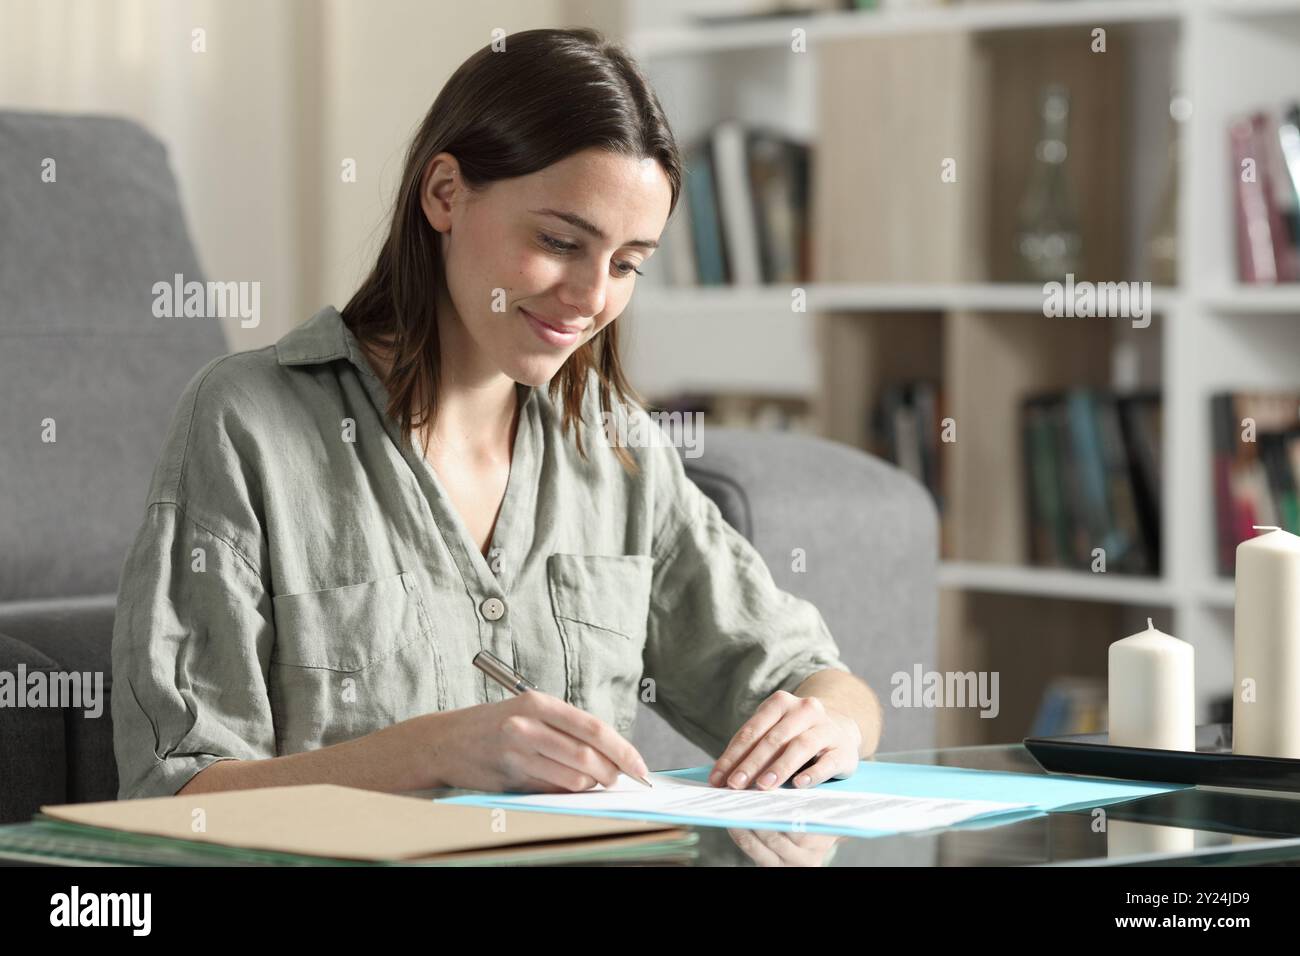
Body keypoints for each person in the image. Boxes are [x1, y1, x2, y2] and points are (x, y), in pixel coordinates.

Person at [111, 27, 882, 802]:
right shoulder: (245, 424)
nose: (590, 299)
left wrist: (831, 724)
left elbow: (820, 683)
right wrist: (428, 754)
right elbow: (173, 797)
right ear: (444, 194)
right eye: (558, 240)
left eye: (626, 265)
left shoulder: (618, 453)